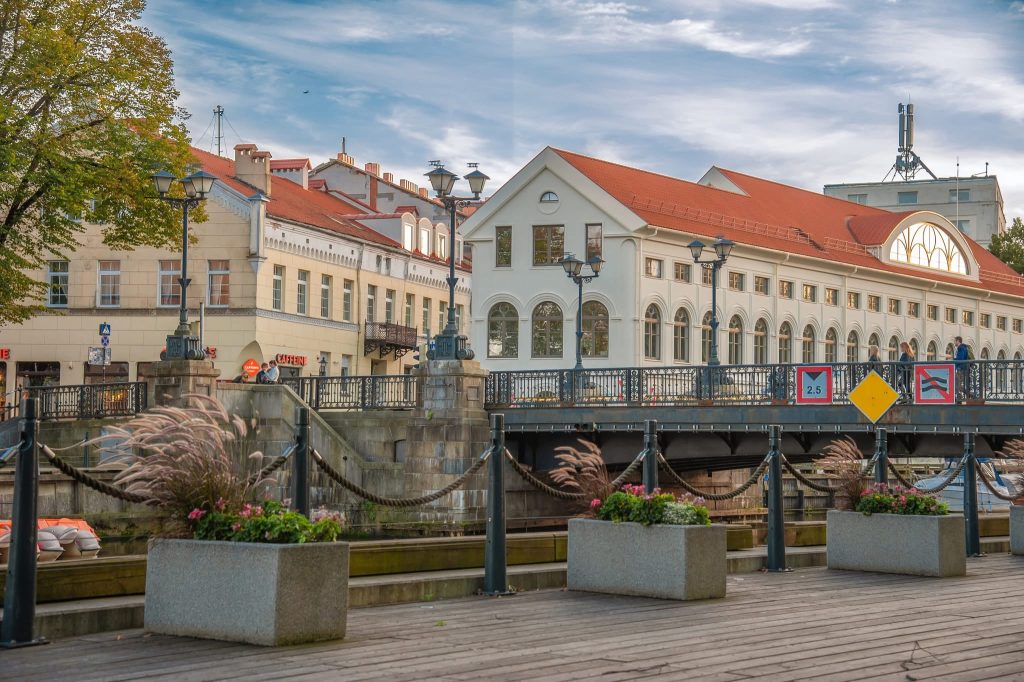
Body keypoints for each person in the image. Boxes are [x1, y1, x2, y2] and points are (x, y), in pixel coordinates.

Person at [953, 336, 971, 400]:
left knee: (957, 385)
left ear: (958, 341)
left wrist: (953, 360)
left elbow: (960, 358)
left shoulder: (961, 348)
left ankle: (968, 395)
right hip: (962, 368)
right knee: (957, 385)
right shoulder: (963, 347)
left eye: (955, 341)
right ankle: (967, 395)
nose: (954, 342)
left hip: (961, 368)